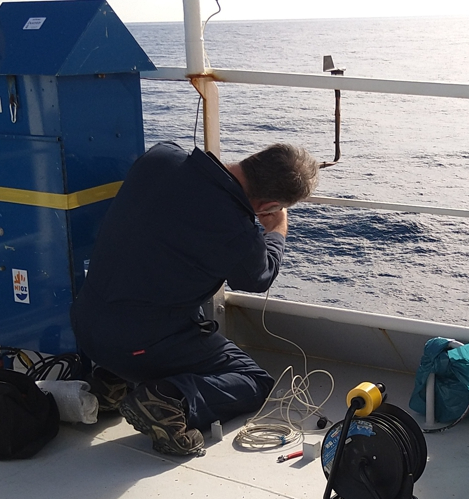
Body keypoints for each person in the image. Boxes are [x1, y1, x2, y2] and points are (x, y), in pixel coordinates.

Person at [71, 141, 318, 455]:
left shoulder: (160, 157)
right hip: (135, 344)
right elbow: (260, 276)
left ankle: (113, 380)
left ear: (255, 157)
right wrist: (277, 228)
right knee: (254, 380)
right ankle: (168, 399)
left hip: (85, 325)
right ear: (268, 204)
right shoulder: (236, 230)